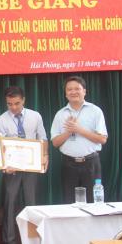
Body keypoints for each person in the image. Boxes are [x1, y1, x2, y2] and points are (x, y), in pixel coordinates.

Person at [0, 86, 48, 244]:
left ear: (23, 100)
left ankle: (33, 241)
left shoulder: (35, 116)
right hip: (12, 169)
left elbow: (42, 138)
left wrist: (45, 155)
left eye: (17, 103)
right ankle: (8, 241)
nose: (13, 107)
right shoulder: (1, 120)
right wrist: (5, 165)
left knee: (31, 204)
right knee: (10, 203)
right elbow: (0, 145)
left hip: (31, 167)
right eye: (9, 104)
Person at [51, 76, 108, 204]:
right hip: (68, 164)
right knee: (70, 202)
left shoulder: (95, 111)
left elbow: (102, 139)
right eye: (69, 89)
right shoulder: (60, 114)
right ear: (66, 94)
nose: (73, 92)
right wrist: (69, 132)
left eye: (77, 89)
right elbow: (55, 143)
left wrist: (79, 130)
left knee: (94, 202)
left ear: (84, 91)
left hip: (91, 163)